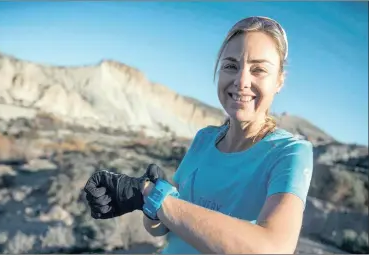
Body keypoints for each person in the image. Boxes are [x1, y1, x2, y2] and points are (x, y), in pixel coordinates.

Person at [84, 16, 314, 254]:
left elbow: (272, 248)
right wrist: (144, 203)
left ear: (279, 81)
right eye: (230, 66)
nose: (241, 80)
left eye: (259, 70)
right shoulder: (205, 139)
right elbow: (162, 228)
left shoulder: (290, 153)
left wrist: (154, 196)